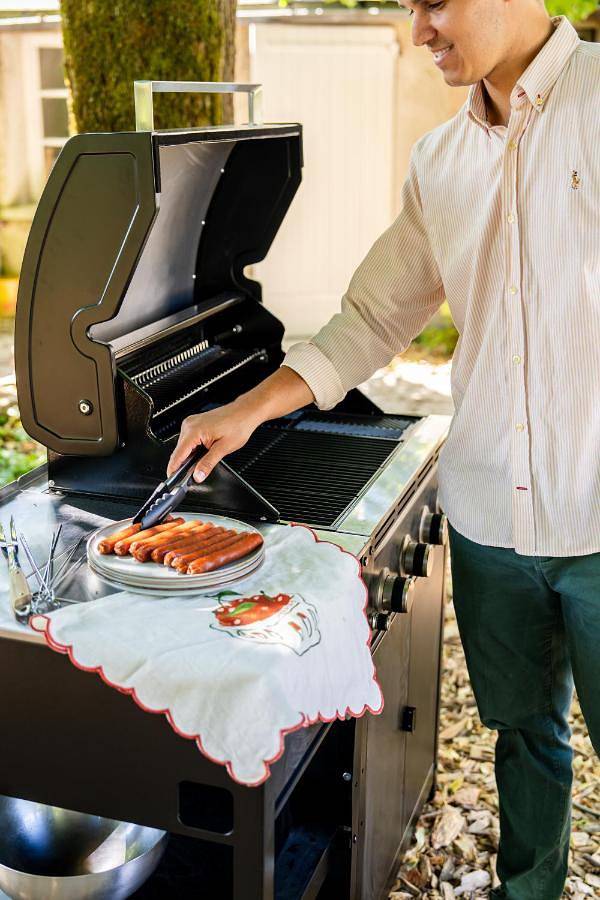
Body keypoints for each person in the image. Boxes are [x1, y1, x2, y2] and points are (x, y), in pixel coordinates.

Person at [168, 2, 599, 897]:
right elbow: (371, 318)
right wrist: (246, 410)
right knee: (525, 737)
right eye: (410, 5)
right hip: (491, 518)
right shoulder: (440, 162)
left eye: (437, 1)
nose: (419, 30)